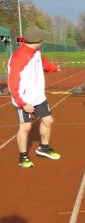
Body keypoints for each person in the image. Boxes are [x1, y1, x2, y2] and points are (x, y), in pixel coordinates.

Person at [7, 31, 62, 167]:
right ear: (37, 41)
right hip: (24, 99)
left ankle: (44, 148)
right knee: (26, 126)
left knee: (48, 120)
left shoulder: (36, 52)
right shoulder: (19, 57)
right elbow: (12, 83)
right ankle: (23, 157)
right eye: (41, 40)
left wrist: (54, 68)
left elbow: (43, 63)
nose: (42, 42)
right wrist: (23, 103)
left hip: (39, 97)